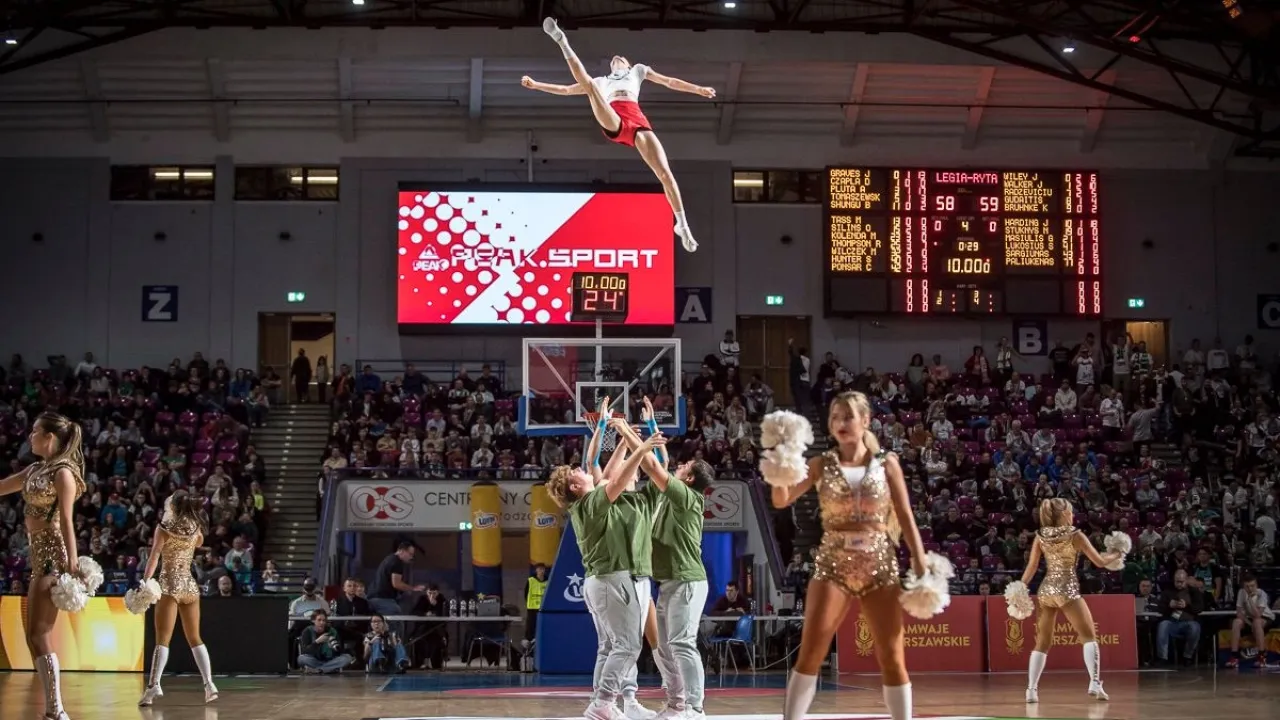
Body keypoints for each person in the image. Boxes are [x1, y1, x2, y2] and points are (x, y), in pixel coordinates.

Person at [770, 392, 930, 720]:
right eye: (835, 417)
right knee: (811, 653)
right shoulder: (819, 464)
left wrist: (919, 560)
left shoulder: (887, 464)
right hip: (832, 565)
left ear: (865, 421)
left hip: (880, 565)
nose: (841, 423)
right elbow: (781, 500)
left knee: (891, 655)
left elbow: (905, 514)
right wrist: (779, 465)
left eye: (847, 416)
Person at [522, 18, 716, 253]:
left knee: (664, 172)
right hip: (614, 117)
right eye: (614, 59)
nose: (616, 57)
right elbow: (565, 90)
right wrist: (536, 85)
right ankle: (562, 41)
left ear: (626, 63)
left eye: (621, 57)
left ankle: (682, 225)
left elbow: (669, 81)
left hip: (637, 120)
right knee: (590, 88)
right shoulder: (601, 80)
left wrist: (699, 89)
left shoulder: (638, 70)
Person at [544, 397, 667, 720]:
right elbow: (614, 477)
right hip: (614, 577)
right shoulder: (590, 504)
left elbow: (611, 472)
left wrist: (624, 436)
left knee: (610, 647)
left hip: (605, 579)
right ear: (574, 485)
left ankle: (608, 702)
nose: (584, 471)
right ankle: (602, 703)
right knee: (627, 646)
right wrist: (639, 446)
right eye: (578, 473)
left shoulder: (590, 502)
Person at [613, 401, 714, 720]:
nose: (678, 468)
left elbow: (653, 467)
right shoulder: (668, 495)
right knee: (668, 647)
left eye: (683, 469)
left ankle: (695, 707)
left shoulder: (687, 498)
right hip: (670, 582)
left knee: (683, 643)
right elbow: (658, 459)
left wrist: (624, 429)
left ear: (688, 480)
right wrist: (650, 425)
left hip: (687, 580)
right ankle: (676, 703)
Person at [0, 412, 87, 720]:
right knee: (34, 634)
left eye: (35, 431)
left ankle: (57, 710)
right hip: (38, 556)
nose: (29, 436)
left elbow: (66, 520)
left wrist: (72, 563)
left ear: (49, 437)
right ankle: (54, 710)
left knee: (39, 632)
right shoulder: (36, 469)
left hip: (53, 556)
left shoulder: (63, 473)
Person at [1016, 498, 1124, 702]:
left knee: (1042, 642)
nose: (1073, 515)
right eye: (1071, 512)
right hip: (1067, 589)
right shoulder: (1076, 535)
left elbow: (1031, 567)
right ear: (1064, 515)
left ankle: (1031, 690)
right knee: (1088, 636)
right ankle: (1094, 682)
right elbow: (1099, 562)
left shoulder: (1040, 536)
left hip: (1046, 590)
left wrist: (1020, 587)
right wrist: (1116, 554)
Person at [137, 491, 219, 706]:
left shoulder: (164, 529)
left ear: (172, 504)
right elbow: (200, 542)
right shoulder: (194, 527)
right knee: (195, 638)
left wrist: (145, 581)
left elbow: (154, 556)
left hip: (169, 586)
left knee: (162, 639)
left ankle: (153, 685)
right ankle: (209, 684)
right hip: (190, 586)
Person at [1226, 573, 1274, 668]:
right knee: (1236, 622)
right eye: (1247, 587)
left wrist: (1250, 599)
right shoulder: (1241, 592)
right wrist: (1248, 623)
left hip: (1265, 617)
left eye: (1252, 586)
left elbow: (1258, 615)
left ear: (1256, 585)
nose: (1250, 589)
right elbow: (1239, 613)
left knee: (1257, 622)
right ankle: (1234, 657)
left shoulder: (1262, 594)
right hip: (1249, 619)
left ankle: (1261, 658)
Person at [525, 563, 549, 642]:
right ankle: (529, 642)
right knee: (531, 626)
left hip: (543, 608)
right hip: (532, 607)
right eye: (539, 569)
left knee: (543, 626)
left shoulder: (548, 581)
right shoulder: (531, 580)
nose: (541, 571)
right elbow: (526, 593)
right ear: (536, 570)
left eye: (542, 569)